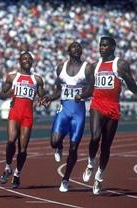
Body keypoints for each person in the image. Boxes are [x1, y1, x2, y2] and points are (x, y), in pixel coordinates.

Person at [82, 36, 137, 195]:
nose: (101, 48)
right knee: (94, 137)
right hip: (97, 104)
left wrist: (125, 76)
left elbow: (134, 89)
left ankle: (99, 175)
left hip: (113, 106)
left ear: (113, 47)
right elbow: (90, 88)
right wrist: (80, 95)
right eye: (100, 45)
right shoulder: (94, 66)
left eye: (105, 45)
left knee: (106, 145)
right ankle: (91, 163)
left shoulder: (120, 64)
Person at [42, 42, 94, 192]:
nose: (76, 49)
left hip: (78, 112)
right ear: (68, 51)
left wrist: (82, 95)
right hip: (64, 110)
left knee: (73, 148)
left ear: (82, 51)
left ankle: (65, 179)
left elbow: (92, 88)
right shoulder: (60, 68)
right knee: (54, 141)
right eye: (73, 47)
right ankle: (58, 147)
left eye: (79, 47)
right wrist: (49, 98)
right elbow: (58, 90)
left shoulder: (87, 68)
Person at [0, 52, 45, 189]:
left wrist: (44, 100)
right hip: (15, 113)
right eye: (24, 59)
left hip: (27, 116)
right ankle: (7, 167)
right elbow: (1, 94)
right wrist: (8, 94)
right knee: (11, 140)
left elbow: (42, 96)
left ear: (32, 62)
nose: (27, 61)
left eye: (29, 59)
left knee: (23, 149)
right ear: (19, 61)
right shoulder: (12, 77)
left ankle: (17, 174)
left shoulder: (37, 79)